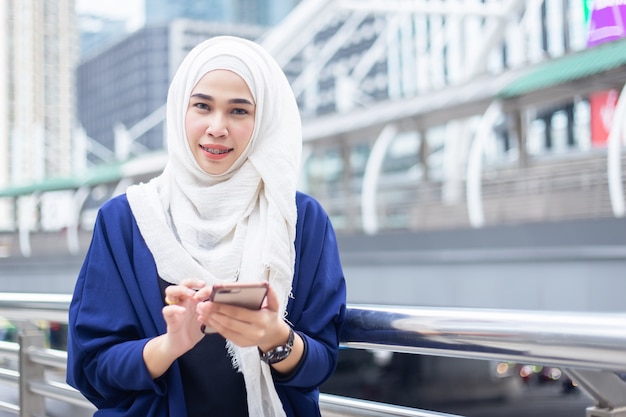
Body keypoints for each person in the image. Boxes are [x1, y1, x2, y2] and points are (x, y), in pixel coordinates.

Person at [66, 35, 347, 417]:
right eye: (202, 106)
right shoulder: (127, 219)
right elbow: (93, 366)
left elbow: (322, 361)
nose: (217, 127)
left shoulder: (300, 219)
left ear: (263, 120)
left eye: (239, 111)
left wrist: (273, 337)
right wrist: (170, 344)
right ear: (180, 109)